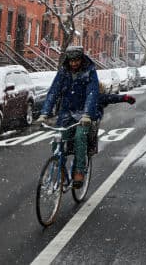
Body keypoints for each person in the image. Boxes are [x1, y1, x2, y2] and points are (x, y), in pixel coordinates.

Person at [41, 45, 100, 187]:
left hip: (83, 113)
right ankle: (59, 168)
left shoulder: (90, 71)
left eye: (76, 60)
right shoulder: (63, 72)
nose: (74, 63)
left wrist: (87, 114)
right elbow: (54, 92)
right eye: (71, 61)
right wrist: (44, 113)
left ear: (81, 59)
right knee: (57, 140)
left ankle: (79, 171)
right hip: (66, 112)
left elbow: (92, 93)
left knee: (80, 138)